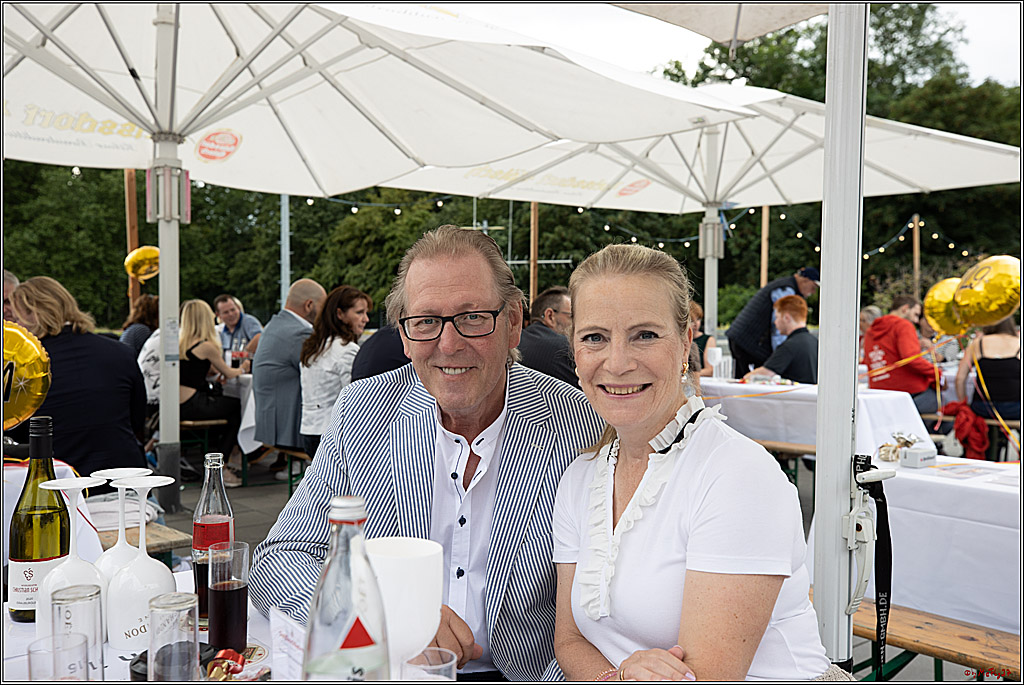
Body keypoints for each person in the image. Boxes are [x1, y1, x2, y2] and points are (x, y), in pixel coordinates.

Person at [250, 226, 603, 681]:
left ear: (514, 321)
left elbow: (604, 606)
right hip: (391, 667)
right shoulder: (364, 412)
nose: (449, 344)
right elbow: (280, 556)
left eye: (474, 317)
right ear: (403, 334)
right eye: (426, 321)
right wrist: (388, 614)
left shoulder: (583, 426)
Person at [552, 244, 837, 681]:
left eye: (644, 334)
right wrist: (618, 677)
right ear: (574, 351)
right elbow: (570, 640)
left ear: (687, 342)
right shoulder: (581, 476)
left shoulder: (737, 476)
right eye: (595, 338)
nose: (618, 362)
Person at [6, 277, 147, 490]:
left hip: (61, 490)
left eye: (16, 318)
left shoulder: (26, 369)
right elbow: (138, 420)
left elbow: (17, 434)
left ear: (33, 314)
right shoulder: (120, 352)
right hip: (128, 484)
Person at [252, 278, 326, 470]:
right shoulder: (298, 333)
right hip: (288, 429)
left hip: (270, 422)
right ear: (309, 305)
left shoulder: (275, 325)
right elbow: (323, 374)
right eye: (323, 307)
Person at [178, 299, 247, 486]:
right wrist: (245, 367)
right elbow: (229, 372)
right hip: (194, 403)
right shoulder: (206, 346)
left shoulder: (180, 344)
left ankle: (215, 457)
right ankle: (221, 464)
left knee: (224, 412)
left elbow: (193, 371)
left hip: (178, 405)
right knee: (236, 408)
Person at [299, 285, 372, 459]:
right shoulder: (347, 350)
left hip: (308, 430)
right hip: (332, 434)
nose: (366, 319)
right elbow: (355, 399)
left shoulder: (313, 348)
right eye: (359, 313)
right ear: (340, 314)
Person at [725, 267, 819, 378]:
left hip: (745, 341)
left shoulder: (784, 286)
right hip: (747, 343)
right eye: (813, 287)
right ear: (805, 280)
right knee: (749, 383)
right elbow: (779, 325)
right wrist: (781, 354)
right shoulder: (785, 291)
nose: (813, 292)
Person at [863, 296, 942, 414]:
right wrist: (937, 372)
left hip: (878, 390)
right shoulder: (903, 325)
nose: (916, 320)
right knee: (936, 400)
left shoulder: (871, 330)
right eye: (915, 314)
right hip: (906, 391)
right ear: (905, 309)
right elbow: (911, 359)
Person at [955, 317, 1020, 421]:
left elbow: (960, 378)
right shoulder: (1018, 343)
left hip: (982, 407)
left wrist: (963, 405)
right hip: (1015, 407)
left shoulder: (977, 343)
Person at [744, 295, 818, 384]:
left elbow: (764, 374)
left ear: (786, 318)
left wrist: (745, 378)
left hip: (794, 396)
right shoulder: (816, 343)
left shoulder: (790, 346)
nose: (775, 322)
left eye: (777, 317)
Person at [518, 285, 579, 388]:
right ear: (550, 316)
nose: (577, 324)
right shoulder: (565, 348)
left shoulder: (513, 343)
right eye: (572, 316)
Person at [213, 294, 263, 359]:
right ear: (218, 315)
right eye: (226, 312)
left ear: (238, 308)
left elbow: (259, 337)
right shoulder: (221, 331)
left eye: (233, 310)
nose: (231, 314)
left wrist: (241, 355)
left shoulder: (249, 321)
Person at [688, 300, 717, 377]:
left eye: (698, 319)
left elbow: (710, 370)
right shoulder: (680, 340)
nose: (696, 324)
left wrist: (688, 375)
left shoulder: (708, 339)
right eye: (691, 320)